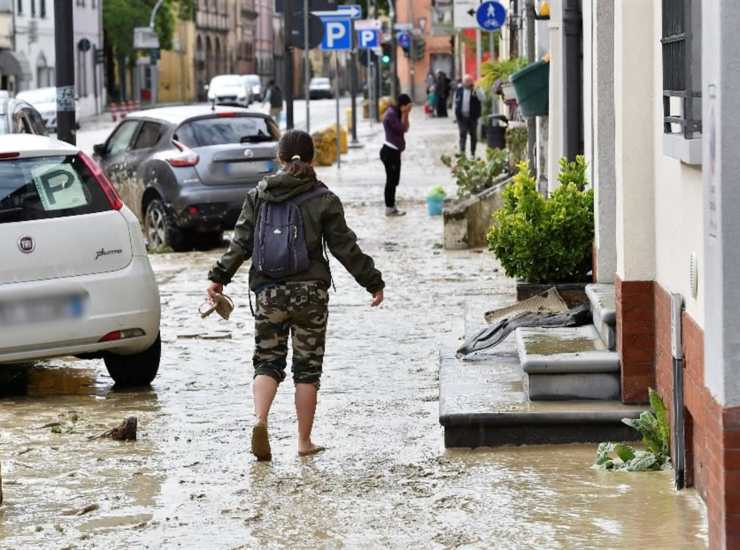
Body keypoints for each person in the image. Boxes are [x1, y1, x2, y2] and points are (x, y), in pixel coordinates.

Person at [206, 130, 385, 461]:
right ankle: (303, 441)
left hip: (269, 292)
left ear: (279, 158)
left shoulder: (258, 195)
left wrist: (219, 278)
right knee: (307, 369)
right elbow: (344, 247)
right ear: (313, 159)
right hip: (311, 295)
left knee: (267, 360)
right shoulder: (323, 198)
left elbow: (240, 243)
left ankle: (260, 420)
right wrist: (372, 282)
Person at [380, 94, 413, 217]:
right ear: (403, 105)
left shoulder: (397, 113)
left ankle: (392, 206)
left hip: (395, 151)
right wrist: (405, 114)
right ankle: (389, 208)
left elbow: (406, 128)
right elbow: (402, 129)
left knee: (394, 180)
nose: (410, 109)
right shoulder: (391, 115)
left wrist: (406, 114)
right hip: (389, 151)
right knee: (391, 181)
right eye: (408, 106)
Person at [454, 75, 483, 156]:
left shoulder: (476, 89)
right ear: (463, 82)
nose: (467, 83)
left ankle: (473, 153)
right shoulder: (459, 89)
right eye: (465, 81)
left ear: (471, 82)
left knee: (473, 135)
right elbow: (455, 102)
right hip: (461, 116)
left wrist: (476, 89)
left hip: (473, 116)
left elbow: (483, 98)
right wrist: (455, 114)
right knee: (462, 134)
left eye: (468, 81)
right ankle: (462, 152)